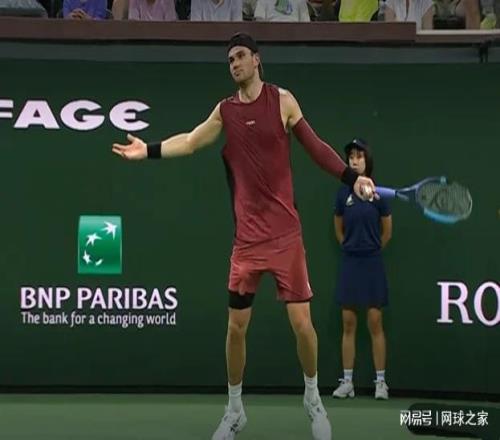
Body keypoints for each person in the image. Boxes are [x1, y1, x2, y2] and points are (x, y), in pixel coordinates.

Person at [112, 32, 376, 440]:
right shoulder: (225, 111)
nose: (234, 64)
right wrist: (147, 150)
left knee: (301, 324)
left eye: (240, 56)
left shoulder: (283, 101)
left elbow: (316, 147)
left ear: (256, 59)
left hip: (285, 235)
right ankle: (234, 409)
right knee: (236, 327)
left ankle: (312, 399)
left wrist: (351, 178)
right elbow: (192, 141)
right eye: (229, 60)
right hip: (247, 242)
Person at [331, 139, 392, 401]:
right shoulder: (342, 194)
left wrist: (371, 248)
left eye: (359, 156)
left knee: (375, 321)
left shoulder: (378, 195)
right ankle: (347, 382)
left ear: (367, 161)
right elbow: (338, 227)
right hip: (350, 262)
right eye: (351, 157)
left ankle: (381, 383)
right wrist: (349, 247)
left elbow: (387, 231)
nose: (354, 161)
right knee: (348, 322)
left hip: (372, 262)